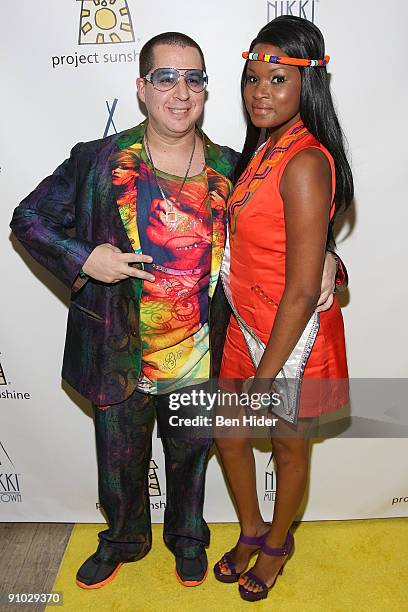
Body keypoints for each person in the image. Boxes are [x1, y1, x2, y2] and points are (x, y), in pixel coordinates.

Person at [10, 31, 343, 591]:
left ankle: (187, 537)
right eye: (166, 77)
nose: (181, 91)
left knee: (191, 463)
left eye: (194, 79)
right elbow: (28, 218)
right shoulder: (98, 161)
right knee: (119, 466)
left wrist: (334, 259)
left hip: (202, 354)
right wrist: (86, 257)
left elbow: (285, 238)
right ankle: (122, 538)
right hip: (119, 350)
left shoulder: (233, 167)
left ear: (206, 91)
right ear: (142, 89)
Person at [213, 15, 353, 602]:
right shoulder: (265, 148)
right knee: (228, 431)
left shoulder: (304, 160)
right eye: (251, 79)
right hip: (245, 322)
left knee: (288, 444)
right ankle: (250, 528)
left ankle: (276, 542)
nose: (259, 93)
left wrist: (265, 380)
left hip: (289, 335)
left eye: (276, 80)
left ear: (307, 86)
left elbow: (300, 290)